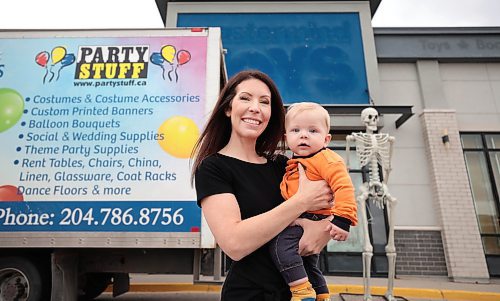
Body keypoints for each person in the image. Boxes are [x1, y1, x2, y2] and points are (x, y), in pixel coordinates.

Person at [191, 70, 335, 301]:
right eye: (245, 98)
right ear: (228, 108)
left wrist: (321, 229)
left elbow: (326, 209)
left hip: (303, 293)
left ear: (271, 114)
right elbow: (234, 243)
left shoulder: (283, 164)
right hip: (251, 294)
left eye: (264, 102)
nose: (255, 108)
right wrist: (301, 202)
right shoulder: (213, 168)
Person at [270, 102, 358, 301]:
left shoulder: (326, 159)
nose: (303, 135)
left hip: (313, 216)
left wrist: (342, 219)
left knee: (280, 246)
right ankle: (322, 294)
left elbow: (344, 187)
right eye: (296, 130)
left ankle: (301, 292)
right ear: (286, 138)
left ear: (326, 139)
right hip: (304, 216)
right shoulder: (295, 161)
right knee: (308, 263)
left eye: (313, 130)